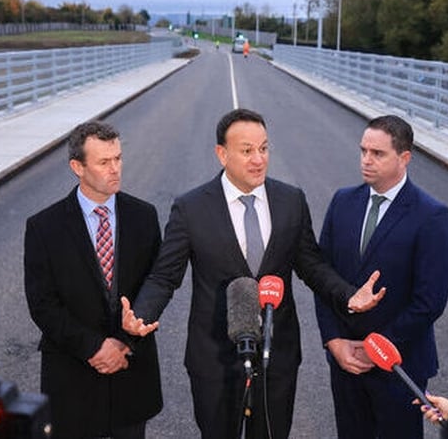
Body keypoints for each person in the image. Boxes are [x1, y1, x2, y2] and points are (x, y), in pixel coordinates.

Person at [120, 108, 386, 439]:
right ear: (222, 154)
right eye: (247, 151)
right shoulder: (191, 208)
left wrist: (349, 294)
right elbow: (164, 276)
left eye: (263, 148)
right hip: (214, 359)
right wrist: (141, 316)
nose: (258, 159)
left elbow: (311, 264)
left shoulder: (291, 200)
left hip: (278, 357)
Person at [313, 114, 448, 439]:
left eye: (377, 154)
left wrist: (377, 348)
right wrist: (334, 341)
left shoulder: (431, 215)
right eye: (363, 150)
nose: (366, 160)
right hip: (345, 362)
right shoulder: (342, 202)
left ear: (404, 158)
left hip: (399, 366)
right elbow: (322, 277)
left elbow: (430, 301)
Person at [24, 121, 163, 439]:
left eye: (118, 158)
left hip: (131, 376)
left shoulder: (145, 217)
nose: (115, 169)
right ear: (77, 167)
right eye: (103, 162)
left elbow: (156, 286)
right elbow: (42, 305)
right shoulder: (44, 228)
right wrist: (95, 347)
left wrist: (126, 342)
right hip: (73, 379)